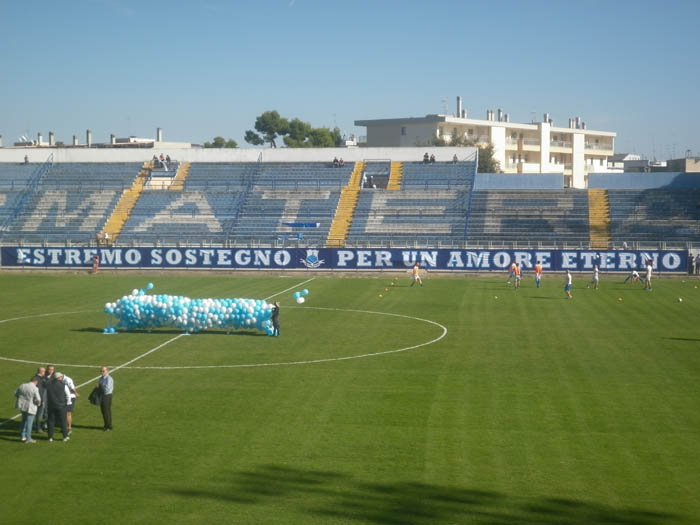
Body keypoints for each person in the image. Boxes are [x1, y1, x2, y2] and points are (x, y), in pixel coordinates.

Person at [15, 376, 41, 443]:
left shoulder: (22, 385)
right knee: (29, 423)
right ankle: (28, 438)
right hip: (30, 407)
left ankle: (22, 436)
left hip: (22, 406)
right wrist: (38, 404)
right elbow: (38, 399)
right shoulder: (35, 388)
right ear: (36, 381)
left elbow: (16, 394)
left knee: (23, 421)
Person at [46, 372, 71, 442]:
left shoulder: (48, 385)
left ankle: (50, 437)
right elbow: (68, 395)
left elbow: (46, 395)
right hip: (61, 406)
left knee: (50, 421)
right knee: (63, 421)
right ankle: (65, 436)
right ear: (59, 377)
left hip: (51, 406)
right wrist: (68, 403)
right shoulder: (63, 385)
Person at [99, 366, 114, 431]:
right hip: (102, 395)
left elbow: (107, 389)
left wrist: (100, 387)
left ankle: (108, 426)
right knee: (103, 411)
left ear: (107, 371)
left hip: (107, 396)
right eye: (101, 371)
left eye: (103, 371)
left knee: (106, 411)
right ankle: (106, 425)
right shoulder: (101, 378)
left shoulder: (109, 379)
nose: (102, 372)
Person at [34, 367, 48, 433]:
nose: (45, 372)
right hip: (41, 399)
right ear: (40, 371)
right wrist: (42, 400)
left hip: (44, 399)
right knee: (39, 414)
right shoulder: (37, 379)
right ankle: (38, 428)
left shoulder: (42, 378)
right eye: (44, 371)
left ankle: (43, 425)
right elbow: (39, 391)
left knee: (45, 413)